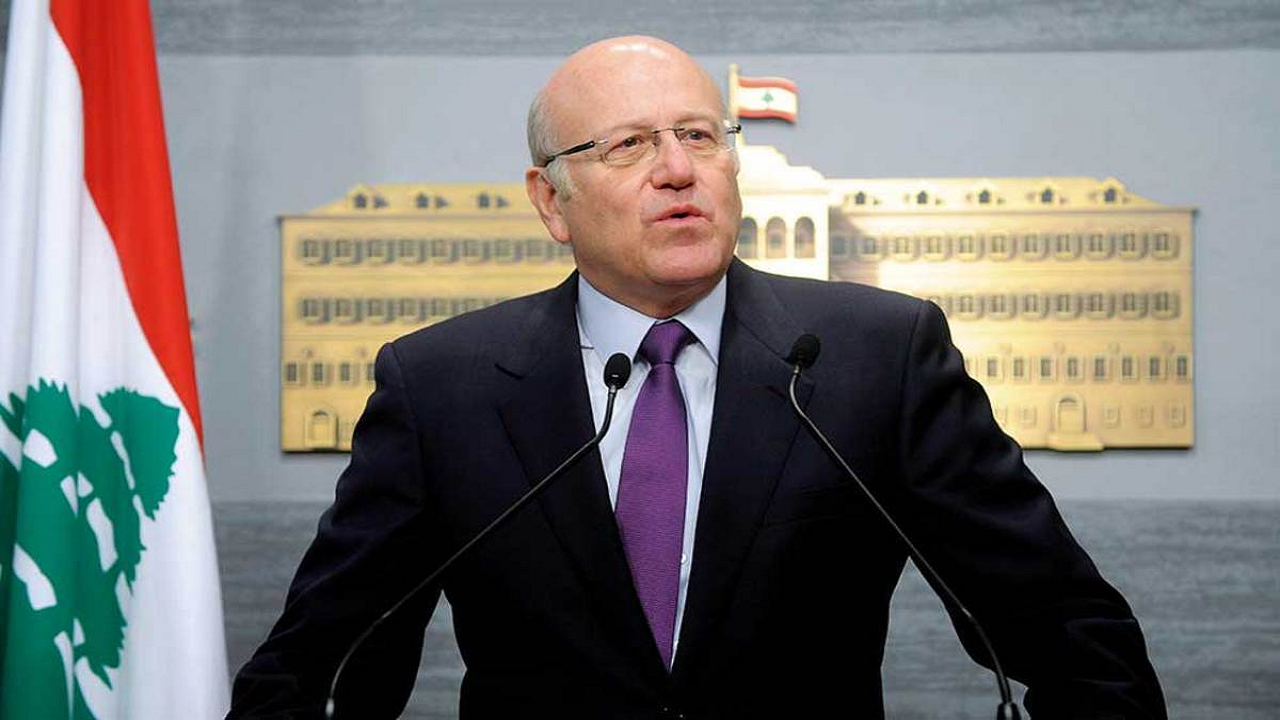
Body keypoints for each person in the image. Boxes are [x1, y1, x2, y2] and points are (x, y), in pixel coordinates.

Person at [230, 36, 1165, 718]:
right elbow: (322, 663)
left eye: (701, 136)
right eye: (628, 146)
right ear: (550, 201)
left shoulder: (879, 356)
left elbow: (1077, 642)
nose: (679, 169)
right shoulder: (441, 385)